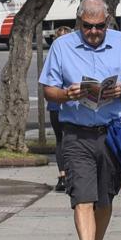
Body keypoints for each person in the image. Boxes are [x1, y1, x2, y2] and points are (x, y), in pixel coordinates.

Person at [39, 0, 121, 240]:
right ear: (79, 22)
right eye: (88, 27)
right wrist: (66, 94)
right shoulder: (62, 46)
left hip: (113, 133)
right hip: (77, 133)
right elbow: (48, 89)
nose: (94, 32)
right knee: (81, 198)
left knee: (105, 198)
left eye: (100, 27)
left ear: (107, 22)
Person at [48, 26, 73, 192]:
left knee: (63, 140)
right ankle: (64, 174)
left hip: (60, 103)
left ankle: (65, 175)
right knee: (64, 139)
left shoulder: (53, 55)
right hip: (62, 104)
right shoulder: (72, 56)